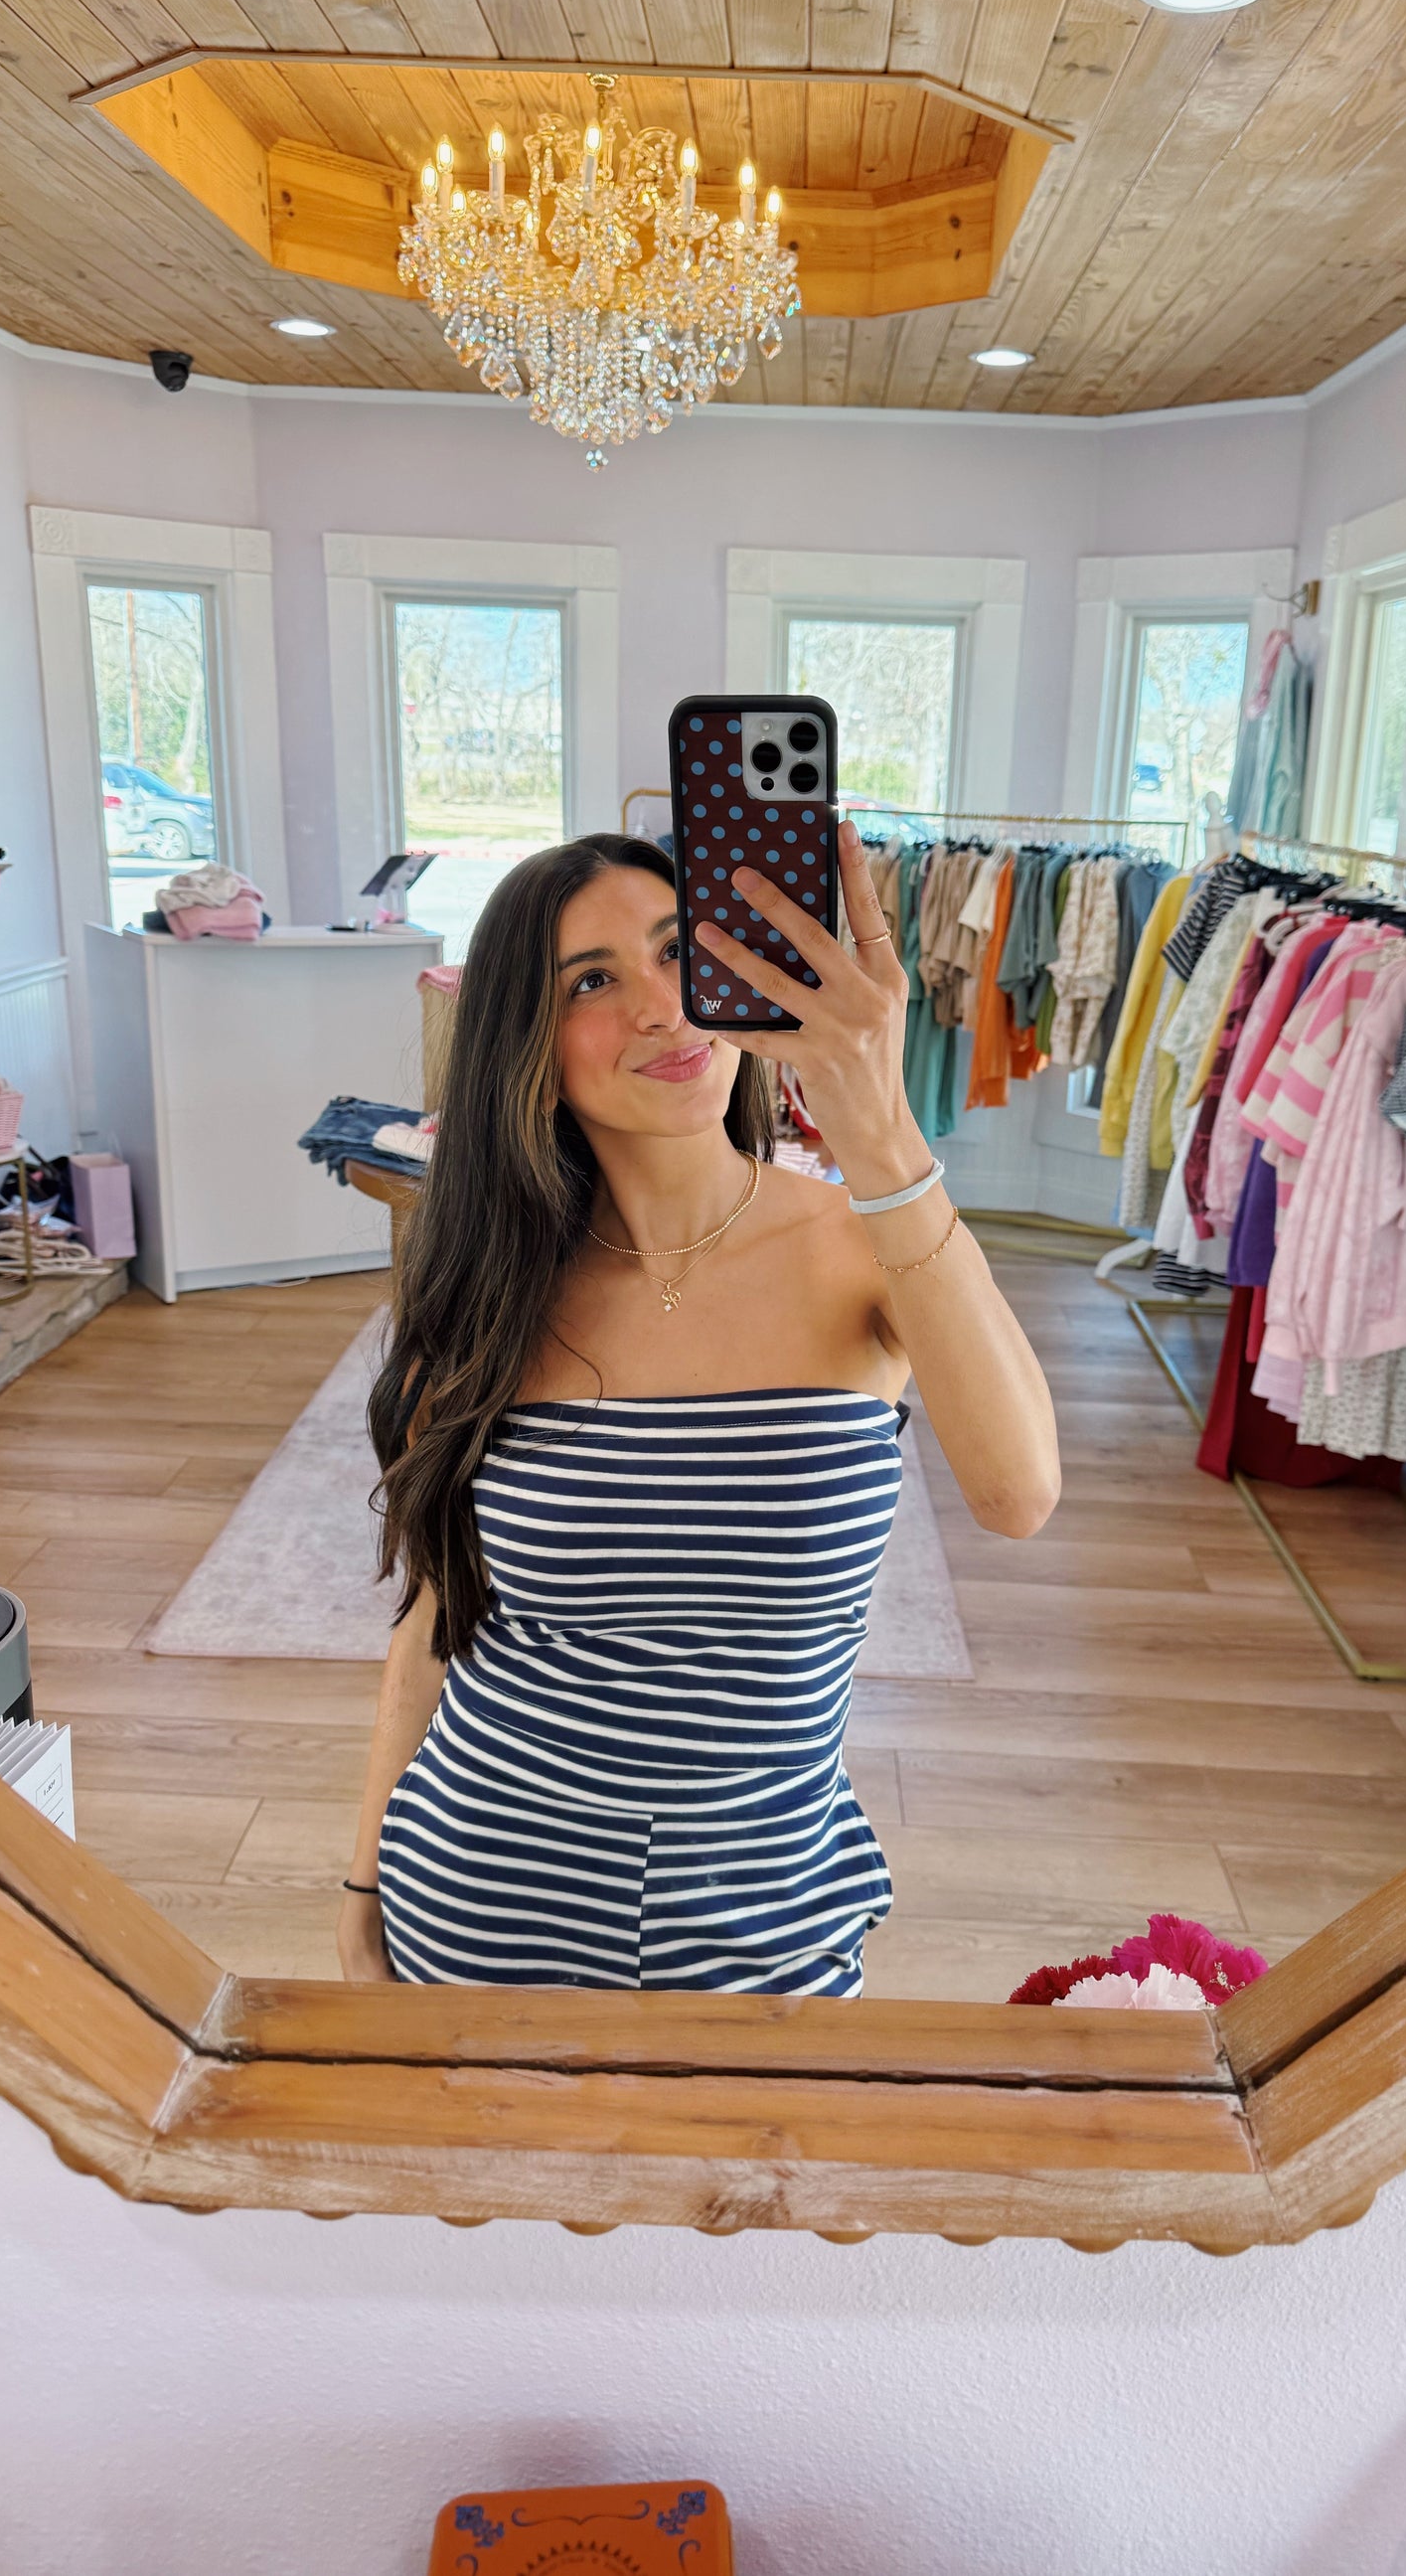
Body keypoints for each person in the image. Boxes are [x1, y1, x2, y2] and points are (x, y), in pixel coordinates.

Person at [339, 823, 1057, 1995]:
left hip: (769, 1925)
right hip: (483, 1904)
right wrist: (363, 1884)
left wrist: (878, 1125)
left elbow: (1017, 1496)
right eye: (591, 982)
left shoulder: (869, 1239)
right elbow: (435, 1615)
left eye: (680, 953)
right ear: (526, 1046)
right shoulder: (489, 1291)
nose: (662, 1007)